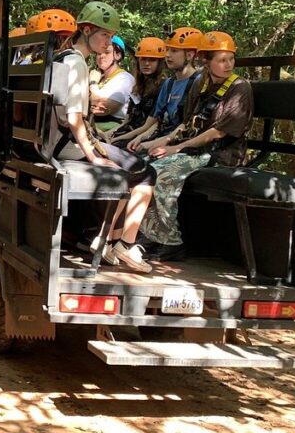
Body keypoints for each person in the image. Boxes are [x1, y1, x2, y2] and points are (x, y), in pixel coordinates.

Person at [47, 1, 156, 272]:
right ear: (86, 30)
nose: (108, 43)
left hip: (56, 141)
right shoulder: (77, 63)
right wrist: (94, 156)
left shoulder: (62, 57)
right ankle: (125, 244)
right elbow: (74, 118)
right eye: (104, 35)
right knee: (145, 172)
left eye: (110, 36)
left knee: (123, 161)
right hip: (67, 145)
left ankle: (107, 240)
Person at [139, 31, 252, 261]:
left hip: (220, 153)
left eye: (231, 58)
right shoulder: (201, 83)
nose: (228, 64)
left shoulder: (240, 88)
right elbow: (187, 122)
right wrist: (164, 142)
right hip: (193, 147)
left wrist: (175, 149)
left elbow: (217, 132)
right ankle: (152, 234)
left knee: (164, 170)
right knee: (144, 166)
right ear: (206, 61)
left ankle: (172, 241)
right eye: (221, 59)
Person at [125, 27, 202, 154]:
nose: (167, 55)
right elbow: (158, 120)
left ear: (189, 55)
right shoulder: (169, 84)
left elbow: (188, 125)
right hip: (163, 137)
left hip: (181, 145)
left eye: (174, 51)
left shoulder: (198, 83)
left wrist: (153, 143)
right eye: (167, 50)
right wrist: (141, 138)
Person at [108, 37, 167, 148]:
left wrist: (115, 139)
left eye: (152, 60)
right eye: (143, 59)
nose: (147, 63)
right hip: (128, 132)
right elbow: (126, 121)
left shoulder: (163, 87)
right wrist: (107, 135)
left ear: (160, 63)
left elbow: (147, 126)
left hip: (142, 137)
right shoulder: (137, 86)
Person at [90, 35, 135, 133]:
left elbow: (101, 109)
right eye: (98, 53)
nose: (101, 56)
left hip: (113, 132)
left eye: (107, 52)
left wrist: (92, 83)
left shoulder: (124, 79)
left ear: (118, 55)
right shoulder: (101, 79)